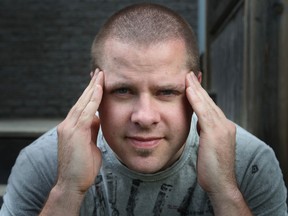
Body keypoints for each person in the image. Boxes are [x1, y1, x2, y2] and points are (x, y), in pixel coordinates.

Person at [0, 3, 287, 216]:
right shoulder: (44, 163)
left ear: (196, 90)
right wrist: (66, 191)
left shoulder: (250, 164)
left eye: (166, 92)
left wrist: (225, 190)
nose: (145, 117)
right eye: (123, 91)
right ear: (94, 89)